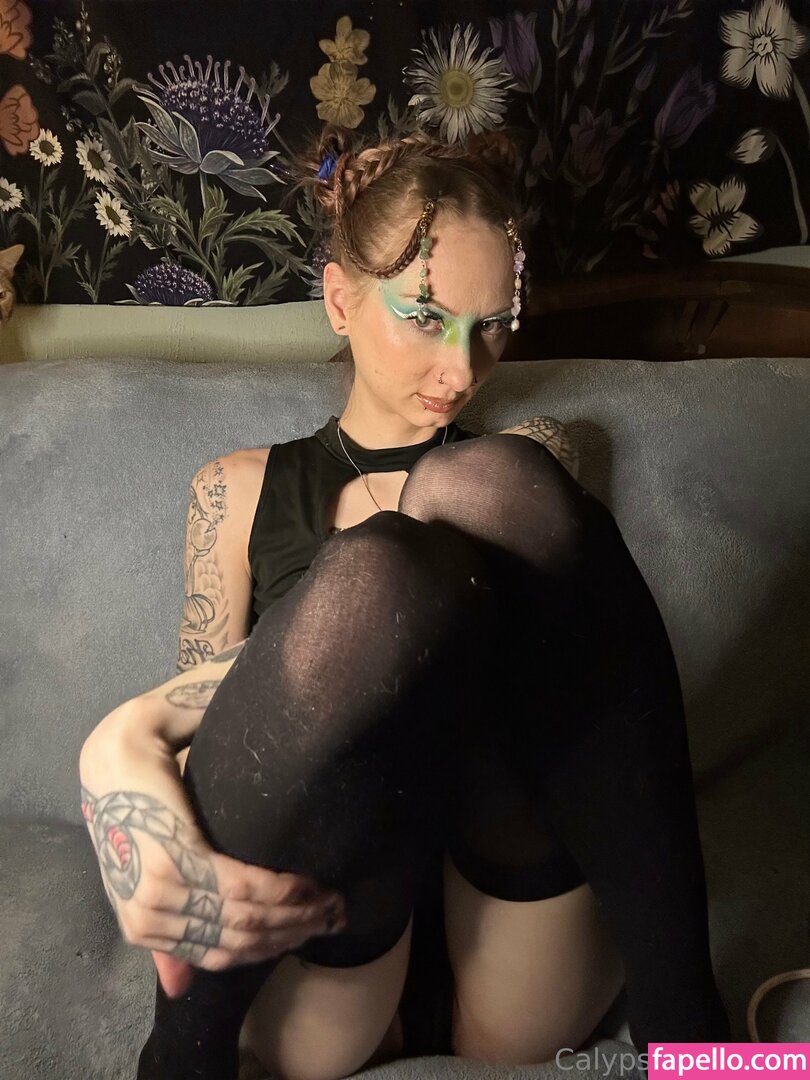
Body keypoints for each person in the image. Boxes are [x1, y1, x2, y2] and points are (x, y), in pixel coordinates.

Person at [79, 124, 731, 1080]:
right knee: (381, 575)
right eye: (426, 315)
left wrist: (120, 735)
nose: (463, 369)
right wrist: (124, 754)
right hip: (329, 941)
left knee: (489, 489)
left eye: (493, 323)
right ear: (340, 300)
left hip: (514, 927)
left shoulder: (532, 465)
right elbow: (228, 743)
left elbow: (589, 697)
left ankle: (695, 1043)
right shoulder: (235, 490)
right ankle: (179, 1061)